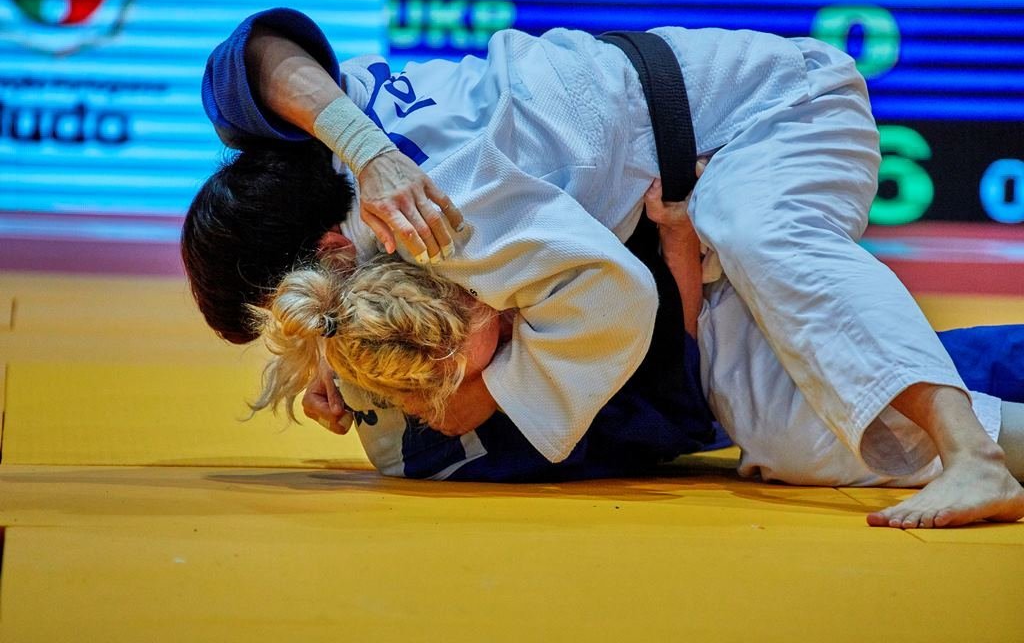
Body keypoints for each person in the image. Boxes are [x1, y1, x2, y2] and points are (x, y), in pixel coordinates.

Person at [188, 7, 1024, 528]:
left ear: (333, 252)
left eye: (292, 320)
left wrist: (482, 393)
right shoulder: (332, 129)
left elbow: (615, 302)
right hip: (672, 221)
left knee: (759, 231)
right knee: (793, 435)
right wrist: (363, 150)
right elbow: (252, 54)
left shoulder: (438, 214)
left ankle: (972, 458)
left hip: (770, 113)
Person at [248, 184, 1024, 517]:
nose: (500, 304)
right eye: (483, 319)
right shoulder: (459, 444)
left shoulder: (388, 294)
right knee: (864, 412)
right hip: (711, 363)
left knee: (910, 373)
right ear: (449, 387)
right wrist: (678, 249)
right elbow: (673, 409)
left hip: (708, 315)